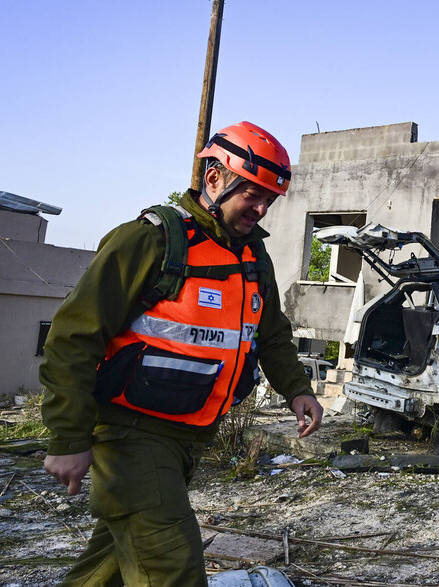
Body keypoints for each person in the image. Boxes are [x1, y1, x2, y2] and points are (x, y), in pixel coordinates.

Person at [40, 121, 324, 586]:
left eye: (269, 199)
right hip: (130, 436)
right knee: (174, 569)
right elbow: (73, 337)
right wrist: (68, 438)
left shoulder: (253, 258)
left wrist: (297, 390)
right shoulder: (152, 240)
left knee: (110, 569)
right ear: (215, 178)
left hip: (187, 441)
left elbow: (269, 335)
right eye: (252, 193)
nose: (261, 207)